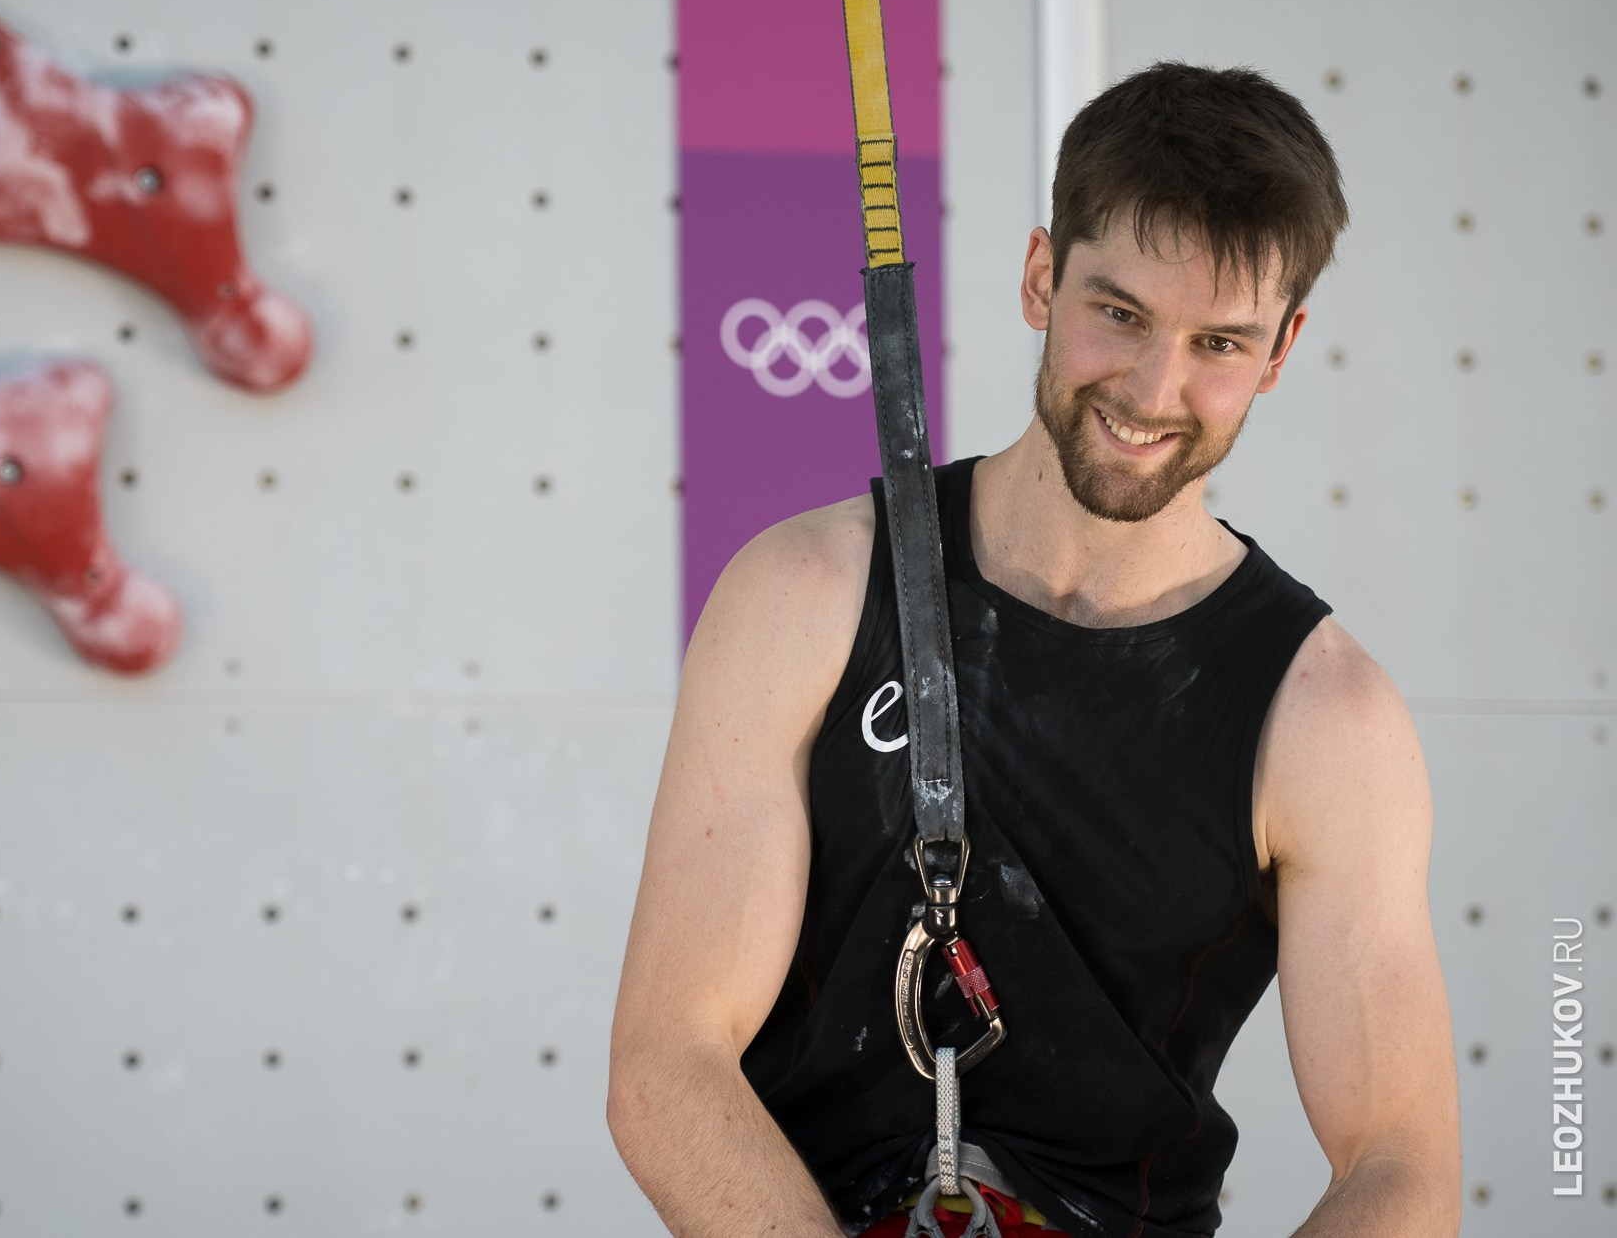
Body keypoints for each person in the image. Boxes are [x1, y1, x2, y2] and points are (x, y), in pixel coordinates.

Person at [606, 62, 1462, 1238]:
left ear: (1278, 351)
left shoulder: (1323, 720)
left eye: (1218, 341)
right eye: (1119, 314)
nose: (1153, 389)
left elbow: (1399, 1165)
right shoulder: (804, 594)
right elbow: (668, 1062)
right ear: (1038, 277)